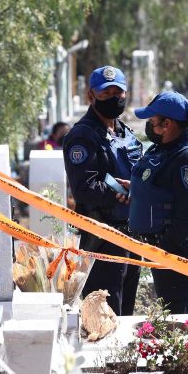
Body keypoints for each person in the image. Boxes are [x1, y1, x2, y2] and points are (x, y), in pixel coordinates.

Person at [62, 66, 143, 316]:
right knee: (106, 317)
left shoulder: (124, 132)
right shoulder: (82, 136)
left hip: (131, 236)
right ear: (91, 96)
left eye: (118, 92)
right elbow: (85, 188)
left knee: (126, 315)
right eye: (106, 92)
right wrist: (119, 191)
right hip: (103, 240)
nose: (114, 98)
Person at [129, 91, 188, 314]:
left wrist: (163, 247)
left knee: (181, 321)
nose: (149, 126)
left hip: (177, 252)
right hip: (163, 250)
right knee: (172, 319)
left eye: (152, 122)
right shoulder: (163, 150)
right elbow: (161, 190)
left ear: (167, 124)